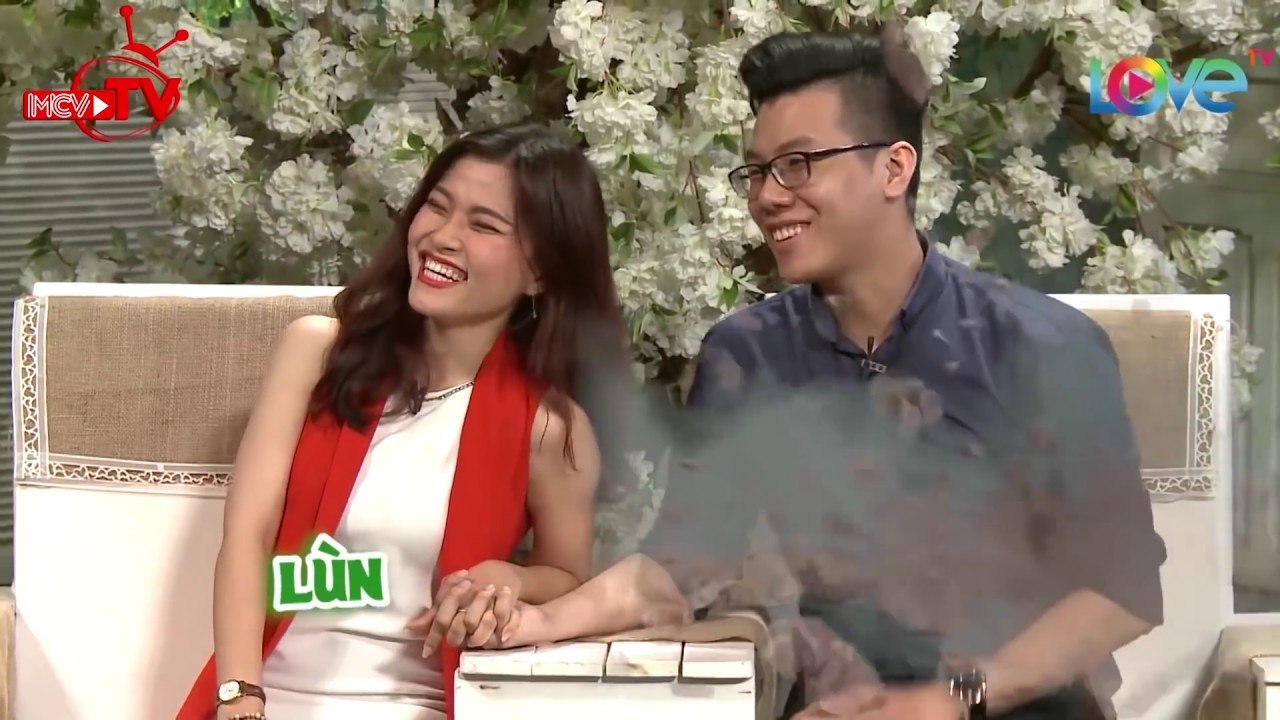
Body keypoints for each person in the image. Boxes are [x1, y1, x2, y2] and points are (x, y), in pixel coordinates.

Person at [434, 26, 1167, 720]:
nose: (767, 195)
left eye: (797, 165)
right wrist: (541, 621)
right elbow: (680, 564)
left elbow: (1123, 591)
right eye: (757, 171)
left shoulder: (1041, 344)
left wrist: (946, 702)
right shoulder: (749, 354)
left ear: (894, 167)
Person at [174, 122, 626, 720]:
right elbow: (246, 537)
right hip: (264, 699)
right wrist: (240, 698)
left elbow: (568, 578)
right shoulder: (317, 353)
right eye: (437, 206)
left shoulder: (549, 428)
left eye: (483, 225)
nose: (442, 237)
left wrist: (511, 579)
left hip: (414, 704)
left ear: (539, 272)